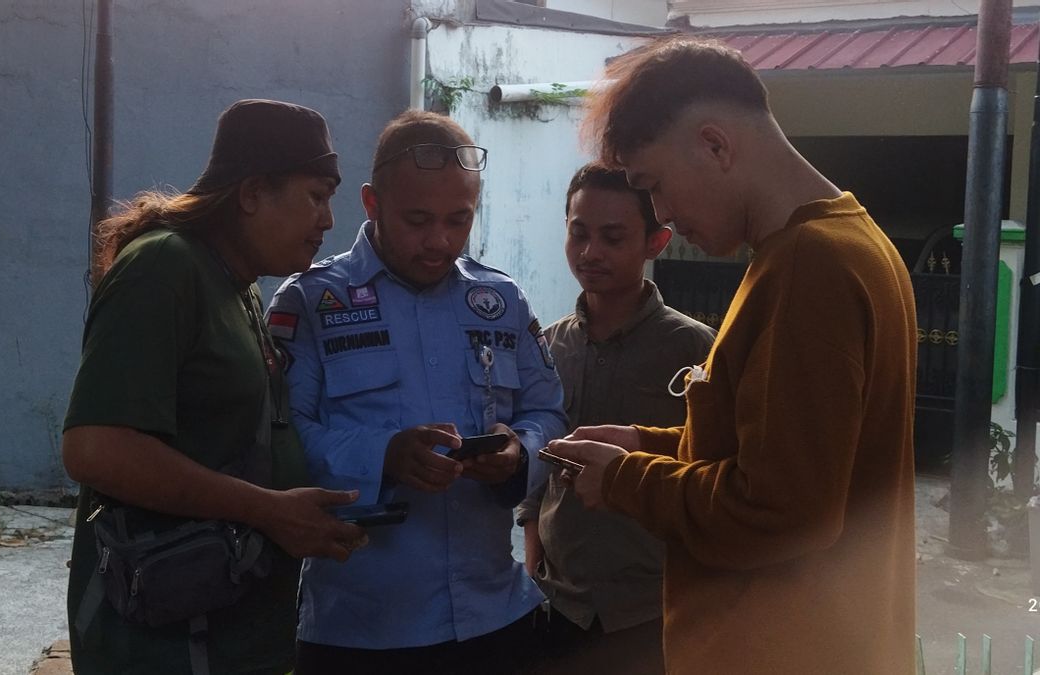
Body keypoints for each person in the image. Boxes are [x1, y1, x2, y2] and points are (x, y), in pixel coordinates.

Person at [547, 38, 918, 674]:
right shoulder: (851, 239)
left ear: (715, 145)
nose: (660, 213)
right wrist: (649, 442)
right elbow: (785, 453)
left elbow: (777, 512)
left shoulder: (809, 265)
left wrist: (623, 479)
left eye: (654, 186)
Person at [61, 99, 367, 675]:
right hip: (161, 645)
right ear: (251, 193)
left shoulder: (239, 284)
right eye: (316, 196)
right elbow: (95, 447)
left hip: (230, 633)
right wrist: (270, 511)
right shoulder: (162, 267)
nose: (328, 220)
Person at [267, 109, 566, 675]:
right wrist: (383, 458)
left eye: (459, 219)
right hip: (360, 630)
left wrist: (517, 454)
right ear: (372, 203)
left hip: (493, 618)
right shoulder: (309, 303)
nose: (439, 241)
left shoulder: (501, 302)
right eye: (418, 220)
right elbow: (280, 437)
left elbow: (547, 412)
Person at [517, 163, 714, 674]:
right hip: (558, 603)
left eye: (612, 237)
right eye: (579, 234)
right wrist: (534, 546)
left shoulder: (695, 348)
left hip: (653, 609)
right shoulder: (549, 346)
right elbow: (541, 459)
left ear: (657, 241)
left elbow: (715, 463)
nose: (590, 253)